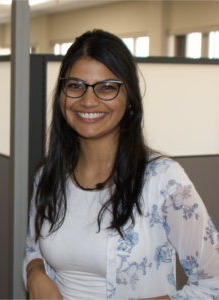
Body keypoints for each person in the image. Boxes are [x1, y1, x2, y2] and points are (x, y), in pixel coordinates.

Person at [23, 29, 219, 300]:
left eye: (106, 87)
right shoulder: (48, 175)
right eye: (75, 85)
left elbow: (214, 286)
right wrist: (34, 272)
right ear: (62, 95)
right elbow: (34, 245)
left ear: (129, 98)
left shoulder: (163, 180)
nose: (88, 100)